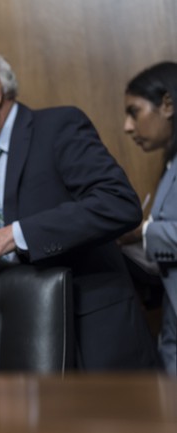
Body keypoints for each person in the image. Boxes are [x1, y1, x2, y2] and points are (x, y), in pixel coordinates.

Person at [0, 48, 158, 370]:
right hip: (23, 341)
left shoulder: (58, 126)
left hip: (90, 334)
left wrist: (18, 234)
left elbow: (118, 203)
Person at [122, 61, 177, 375]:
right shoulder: (170, 165)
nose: (128, 127)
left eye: (134, 112)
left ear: (167, 104)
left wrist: (141, 232)